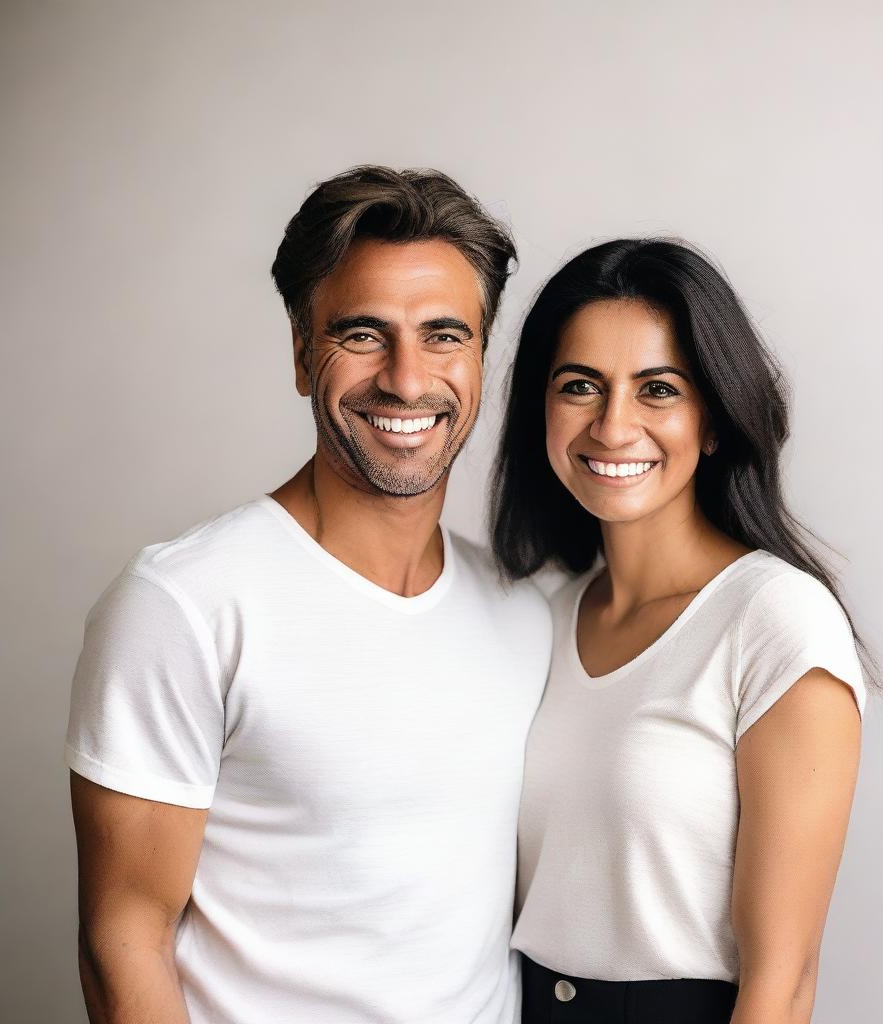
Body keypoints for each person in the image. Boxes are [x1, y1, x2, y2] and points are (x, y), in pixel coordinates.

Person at [65, 165, 552, 1024]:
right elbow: (123, 942)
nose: (406, 380)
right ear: (300, 353)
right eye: (363, 334)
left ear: (480, 358)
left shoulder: (521, 615)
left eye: (444, 335)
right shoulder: (183, 606)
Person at [492, 238, 875, 1024]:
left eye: (658, 388)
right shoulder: (543, 616)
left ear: (713, 420)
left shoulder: (775, 622)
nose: (613, 424)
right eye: (580, 386)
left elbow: (785, 980)